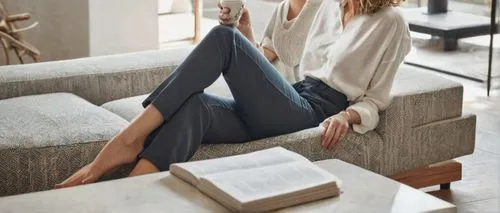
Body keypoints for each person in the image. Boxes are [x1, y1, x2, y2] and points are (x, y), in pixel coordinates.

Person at [55, 0, 411, 188]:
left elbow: (376, 98)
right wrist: (252, 46)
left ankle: (130, 137)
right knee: (195, 106)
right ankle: (127, 194)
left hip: (317, 110)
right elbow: (289, 72)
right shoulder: (330, 9)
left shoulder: (390, 23)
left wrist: (347, 115)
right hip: (294, 96)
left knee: (224, 39)